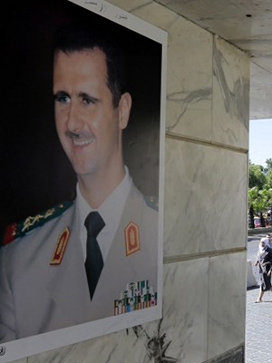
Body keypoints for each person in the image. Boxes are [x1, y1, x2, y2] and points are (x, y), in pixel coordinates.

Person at [0, 23, 158, 343]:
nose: (71, 123)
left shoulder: (163, 231)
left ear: (122, 110)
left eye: (87, 100)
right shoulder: (19, 258)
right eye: (62, 98)